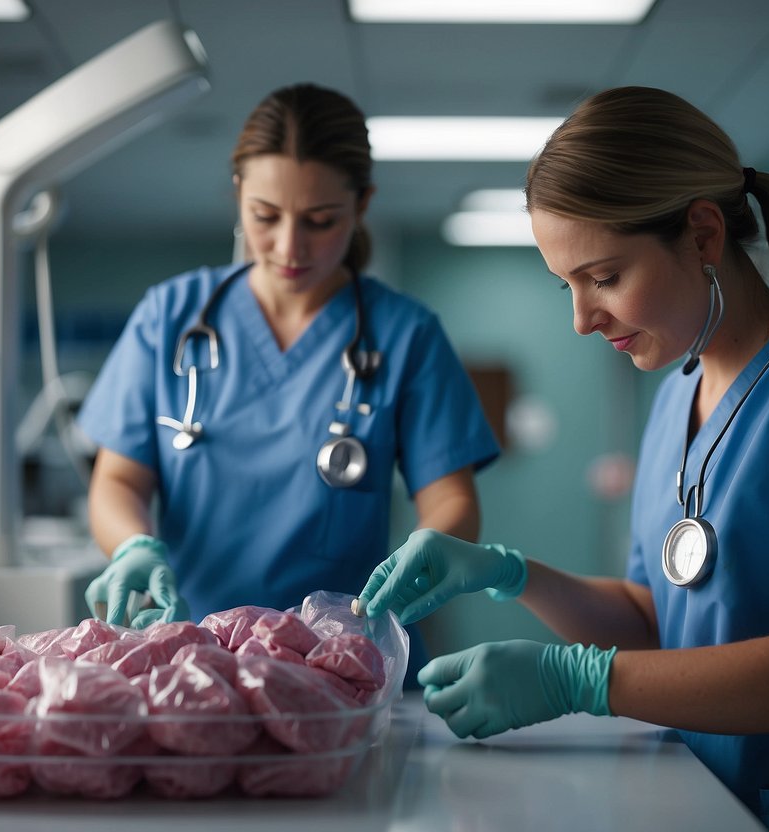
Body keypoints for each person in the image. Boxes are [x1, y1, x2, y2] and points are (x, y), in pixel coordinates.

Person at [356, 86, 769, 830]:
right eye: (565, 285)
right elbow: (655, 621)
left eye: (604, 277)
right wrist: (506, 572)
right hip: (705, 800)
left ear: (703, 235)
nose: (581, 319)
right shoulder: (678, 389)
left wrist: (577, 680)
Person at [77, 83, 499, 682]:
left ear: (363, 204)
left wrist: (428, 553)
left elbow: (452, 498)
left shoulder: (405, 334)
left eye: (321, 221)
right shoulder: (169, 317)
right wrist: (132, 547)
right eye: (265, 217)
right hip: (190, 661)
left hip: (341, 662)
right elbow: (117, 480)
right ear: (238, 196)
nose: (289, 246)